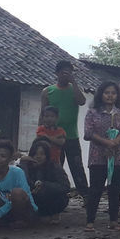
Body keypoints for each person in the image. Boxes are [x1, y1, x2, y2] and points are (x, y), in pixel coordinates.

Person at [83, 80, 120, 231]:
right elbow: (89, 133)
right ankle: (90, 221)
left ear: (117, 95)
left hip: (119, 156)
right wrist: (106, 143)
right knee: (96, 188)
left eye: (113, 93)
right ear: (101, 94)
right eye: (107, 93)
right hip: (98, 155)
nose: (110, 96)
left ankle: (114, 221)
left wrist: (115, 142)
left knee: (115, 188)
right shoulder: (92, 112)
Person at [41, 59, 87, 196]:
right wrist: (40, 133)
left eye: (69, 73)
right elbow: (42, 113)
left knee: (77, 168)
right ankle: (56, 195)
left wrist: (74, 82)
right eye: (63, 72)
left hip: (71, 136)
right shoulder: (47, 91)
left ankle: (85, 196)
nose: (65, 75)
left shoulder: (75, 89)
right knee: (54, 167)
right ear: (57, 73)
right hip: (52, 136)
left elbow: (82, 101)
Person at [20, 137, 70, 219]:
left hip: (51, 199)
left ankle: (54, 213)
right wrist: (24, 164)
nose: (38, 157)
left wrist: (45, 185)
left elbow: (65, 186)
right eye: (35, 154)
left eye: (42, 154)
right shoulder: (26, 166)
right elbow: (23, 182)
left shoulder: (54, 167)